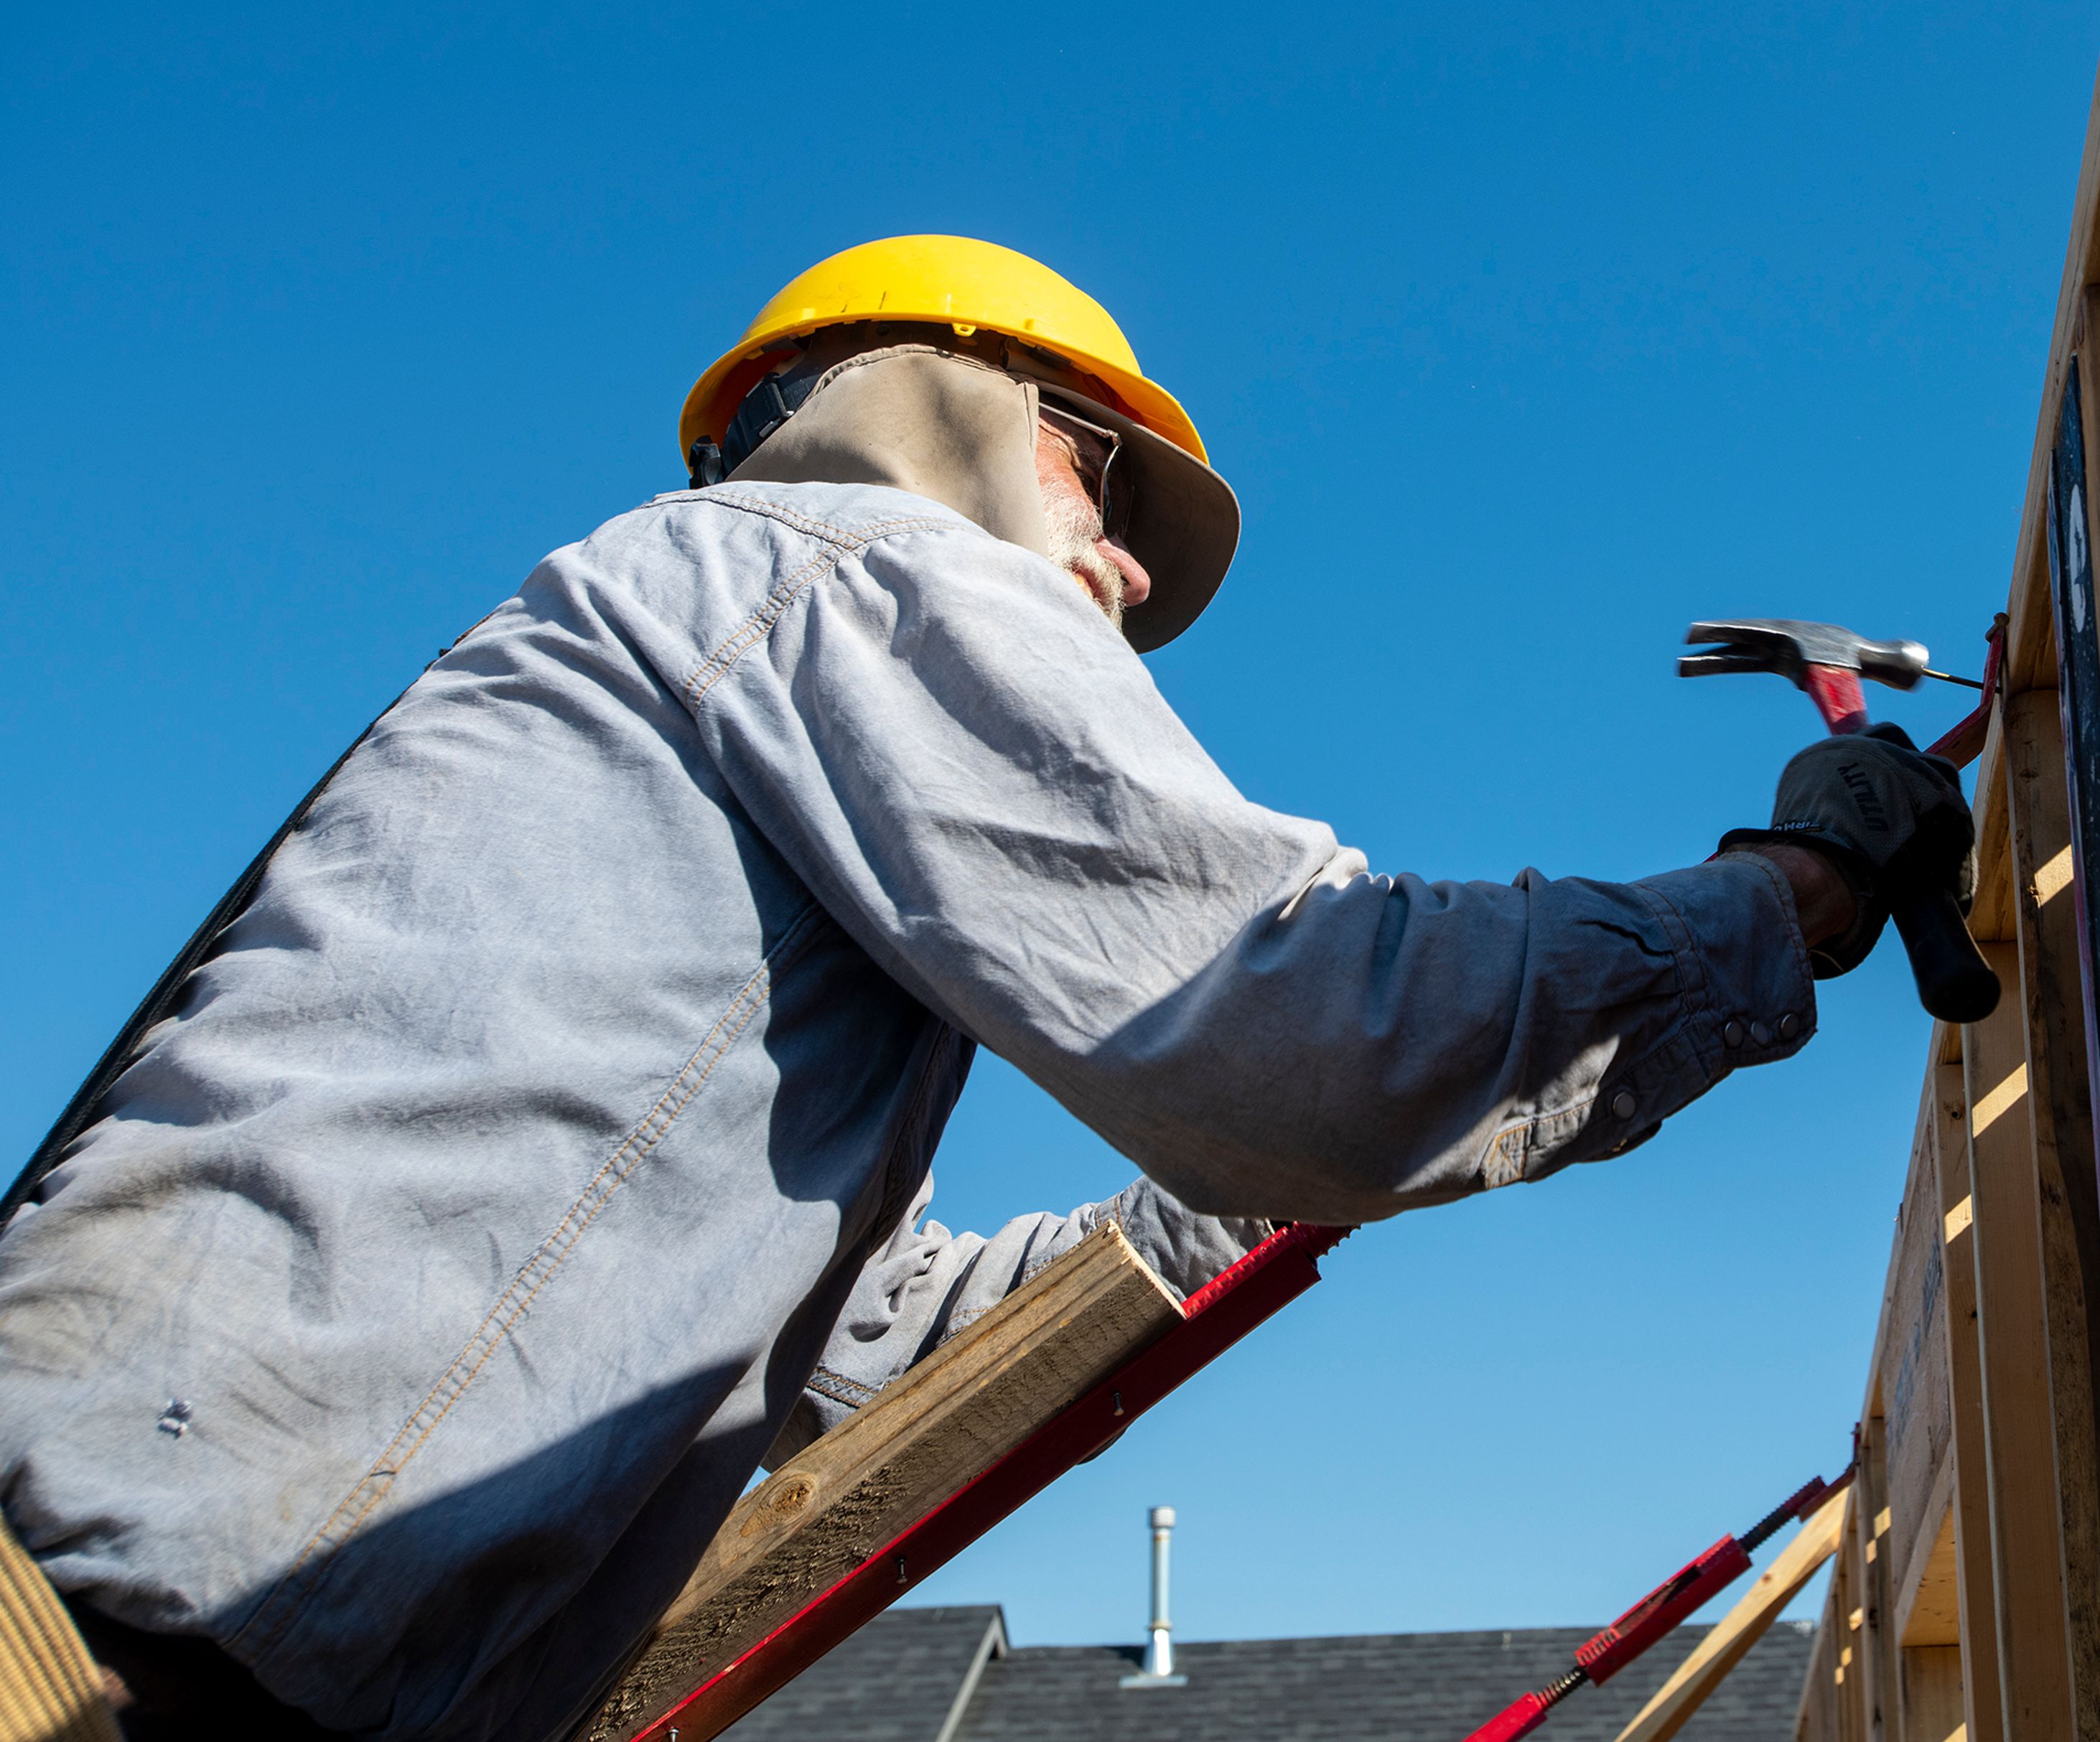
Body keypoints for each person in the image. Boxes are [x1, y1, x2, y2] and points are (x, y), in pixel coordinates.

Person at [0, 237, 1972, 1742]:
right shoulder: (842, 568)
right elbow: (1305, 1015)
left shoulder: (676, 677)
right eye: (1105, 489)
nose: (1121, 573)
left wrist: (1251, 1201)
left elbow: (870, 1333)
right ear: (961, 404)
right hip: (114, 1643)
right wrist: (1779, 898)